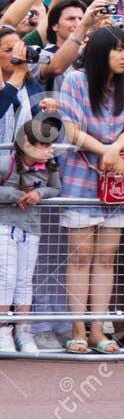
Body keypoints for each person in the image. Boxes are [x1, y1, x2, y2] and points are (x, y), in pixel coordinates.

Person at [55, 26, 124, 354]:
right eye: (117, 49)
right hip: (80, 175)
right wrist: (107, 151)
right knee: (80, 257)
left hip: (117, 180)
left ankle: (98, 329)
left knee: (106, 258)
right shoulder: (75, 81)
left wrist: (114, 148)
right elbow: (72, 130)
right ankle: (77, 328)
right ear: (100, 52)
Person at [0, 48, 57, 355]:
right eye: (38, 144)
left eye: (48, 144)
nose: (45, 150)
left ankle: (24, 329)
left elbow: (55, 188)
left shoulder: (47, 165)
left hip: (30, 227)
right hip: (6, 225)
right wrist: (17, 195)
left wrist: (39, 193)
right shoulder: (7, 161)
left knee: (25, 279)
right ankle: (3, 330)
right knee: (5, 278)